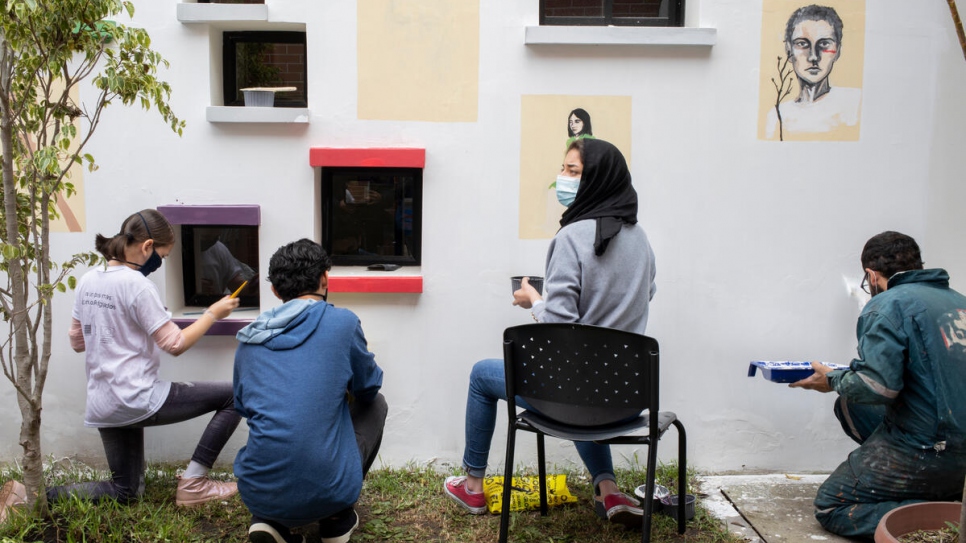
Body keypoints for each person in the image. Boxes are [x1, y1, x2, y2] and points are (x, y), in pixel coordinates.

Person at [443, 138, 657, 528]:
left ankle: (472, 484)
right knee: (583, 380)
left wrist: (533, 299)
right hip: (627, 400)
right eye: (563, 169)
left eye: (573, 171)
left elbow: (561, 328)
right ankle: (608, 490)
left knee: (482, 375)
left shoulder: (572, 238)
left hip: (573, 399)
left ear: (597, 179)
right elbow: (646, 296)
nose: (563, 178)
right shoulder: (642, 241)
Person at [0, 209, 242, 521]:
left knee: (125, 491)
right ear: (147, 246)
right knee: (235, 395)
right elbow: (175, 344)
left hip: (104, 403)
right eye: (163, 256)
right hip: (137, 398)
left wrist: (115, 329)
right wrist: (213, 313)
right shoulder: (138, 286)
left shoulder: (89, 280)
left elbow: (76, 341)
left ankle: (29, 496)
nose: (161, 263)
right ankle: (195, 483)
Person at [790, 231, 966, 538]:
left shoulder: (886, 304)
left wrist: (830, 379)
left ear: (871, 276)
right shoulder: (959, 303)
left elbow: (876, 387)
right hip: (956, 445)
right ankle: (943, 492)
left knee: (833, 505)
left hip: (929, 447)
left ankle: (940, 510)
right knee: (851, 405)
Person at [233, 238, 387, 543]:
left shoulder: (248, 338)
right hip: (329, 487)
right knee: (376, 404)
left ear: (275, 291)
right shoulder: (342, 322)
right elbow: (369, 387)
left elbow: (242, 405)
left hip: (257, 490)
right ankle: (337, 517)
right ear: (325, 278)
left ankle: (269, 521)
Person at [765, 5, 861, 139]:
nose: (813, 57)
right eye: (802, 44)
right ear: (789, 51)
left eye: (824, 44)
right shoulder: (777, 115)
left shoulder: (855, 103)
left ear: (838, 50)